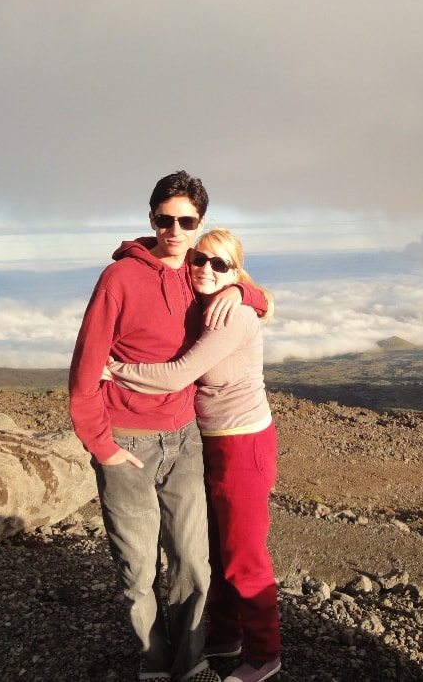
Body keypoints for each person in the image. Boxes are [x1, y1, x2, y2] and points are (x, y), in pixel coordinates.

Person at [68, 172, 268, 682]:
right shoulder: (119, 279)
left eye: (187, 222)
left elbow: (245, 288)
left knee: (192, 563)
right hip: (127, 440)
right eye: (165, 219)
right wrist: (100, 444)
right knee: (137, 568)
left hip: (184, 437)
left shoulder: (198, 273)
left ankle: (192, 662)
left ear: (198, 224)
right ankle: (154, 662)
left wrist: (247, 294)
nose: (175, 231)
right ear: (150, 217)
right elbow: (86, 367)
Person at [104, 228, 281, 682]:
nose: (205, 269)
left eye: (220, 264)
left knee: (243, 554)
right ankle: (226, 633)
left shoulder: (235, 312)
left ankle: (265, 655)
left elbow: (178, 375)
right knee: (215, 550)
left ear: (235, 270)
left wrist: (113, 369)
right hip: (209, 441)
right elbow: (157, 247)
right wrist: (248, 289)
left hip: (242, 442)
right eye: (199, 259)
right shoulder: (205, 296)